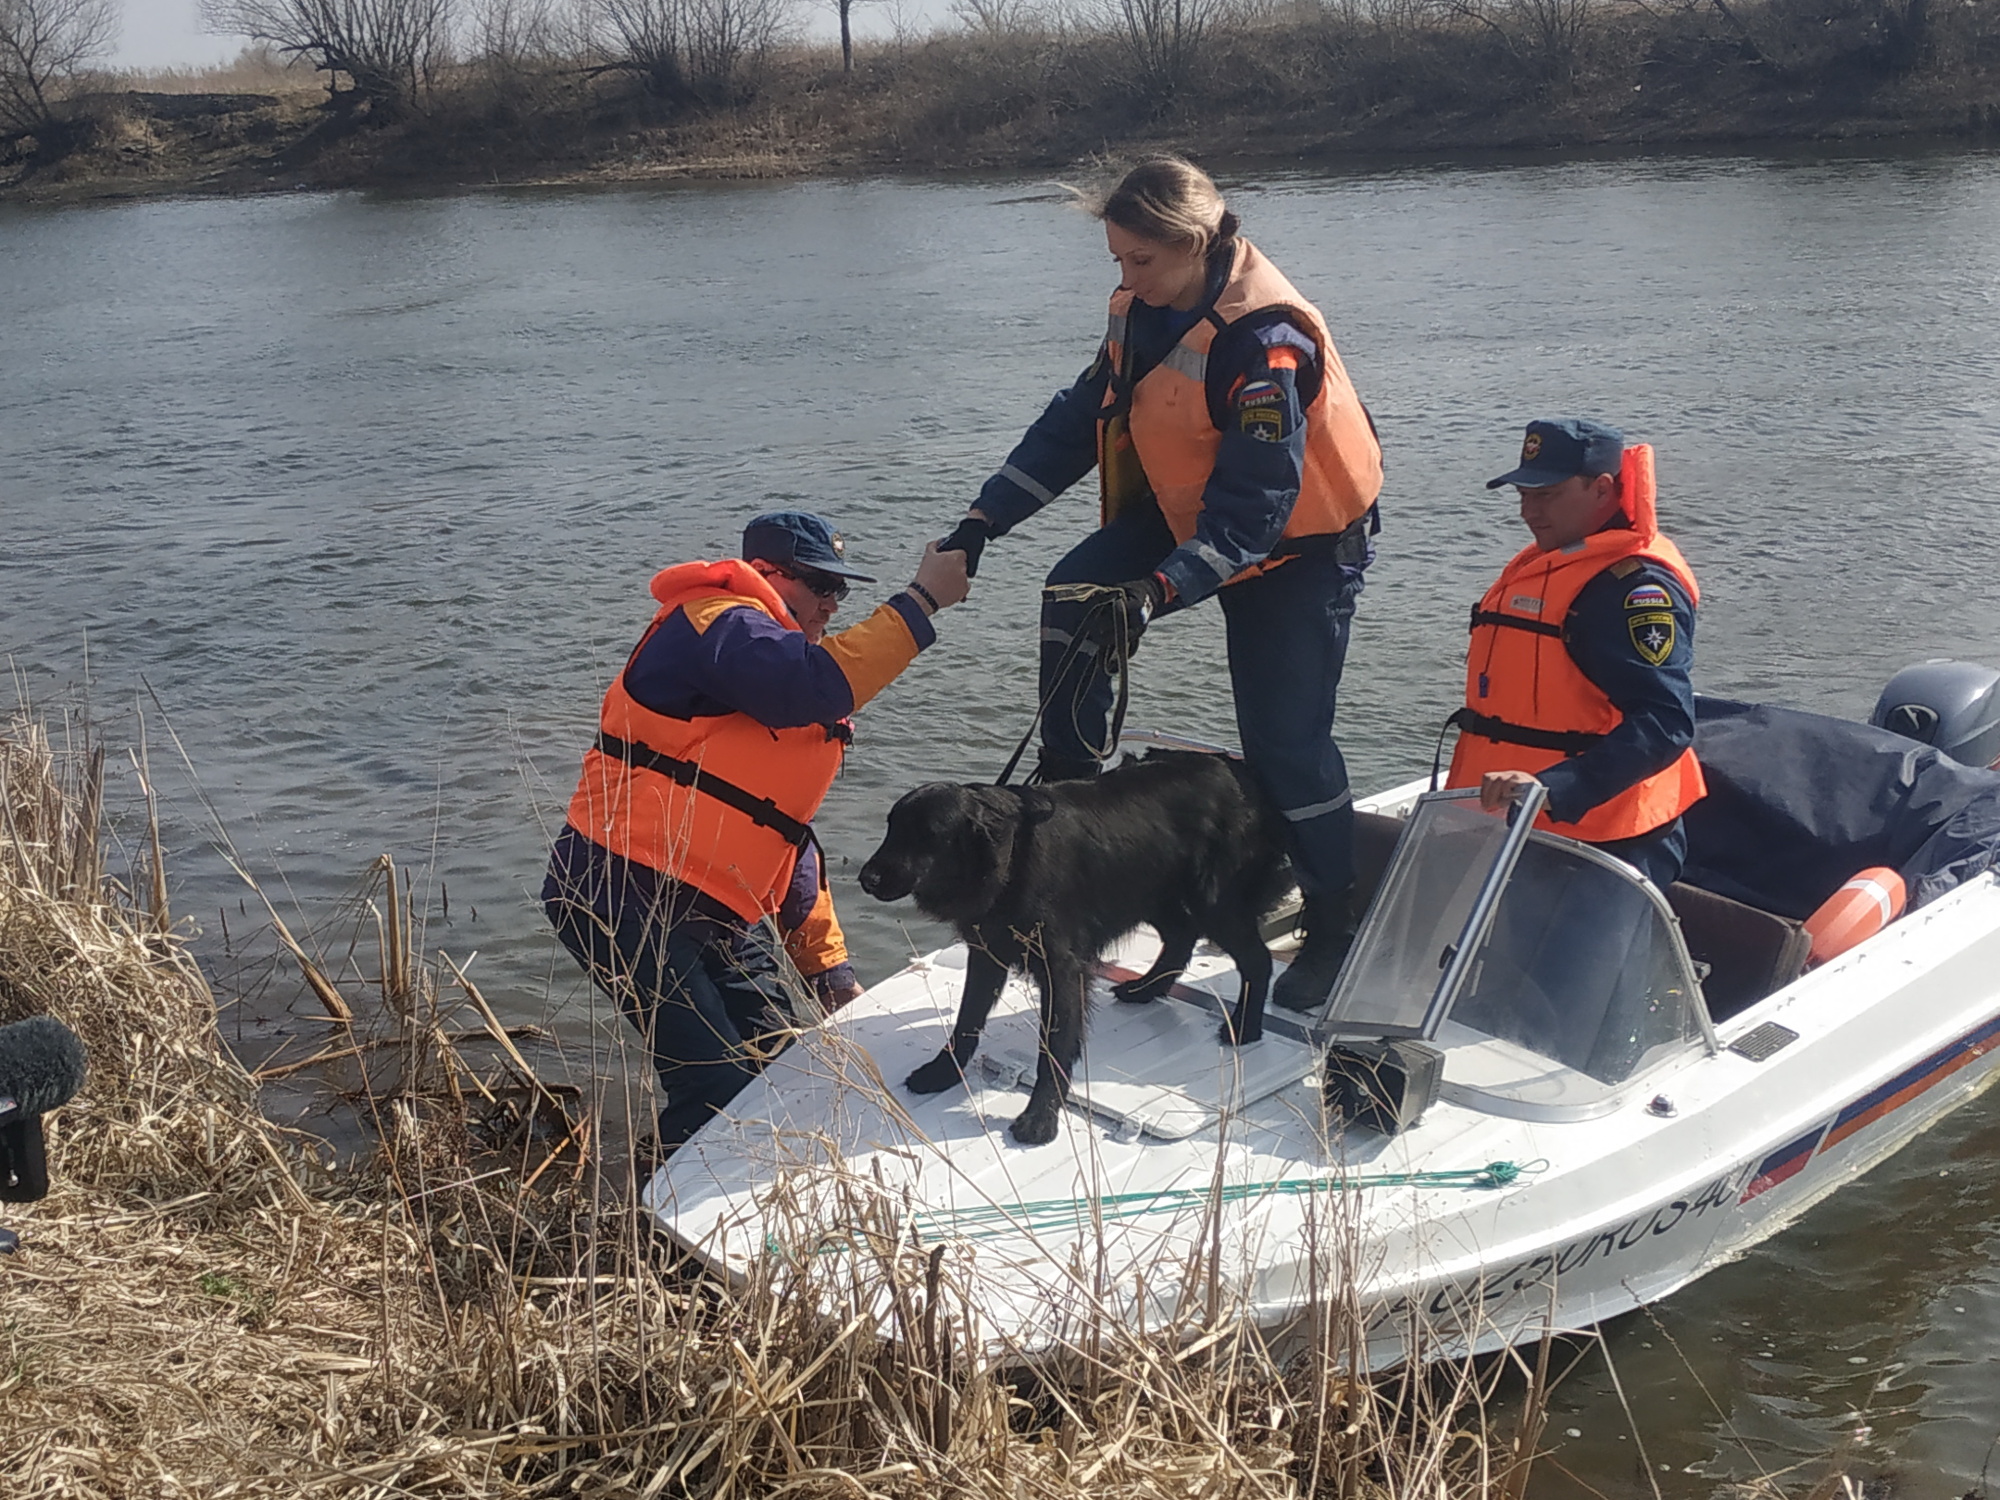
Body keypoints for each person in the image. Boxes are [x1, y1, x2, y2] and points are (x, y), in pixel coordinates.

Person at [937, 156, 1384, 1013]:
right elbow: (1075, 425)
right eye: (1117, 261)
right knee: (1077, 591)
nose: (1127, 279)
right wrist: (980, 523)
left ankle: (1335, 916)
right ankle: (1071, 804)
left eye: (1142, 261)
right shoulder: (1138, 312)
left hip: (1297, 546)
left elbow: (1255, 515)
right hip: (1192, 512)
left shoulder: (1266, 341)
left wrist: (1160, 591)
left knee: (1285, 741)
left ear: (1196, 245)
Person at [545, 512, 970, 1150]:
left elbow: (781, 835)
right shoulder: (715, 622)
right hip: (618, 893)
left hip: (714, 915)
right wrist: (922, 601)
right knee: (714, 1081)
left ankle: (756, 1214)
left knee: (779, 1063)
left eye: (840, 591)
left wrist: (830, 972)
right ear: (767, 574)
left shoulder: (762, 661)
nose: (831, 604)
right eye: (819, 585)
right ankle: (660, 1237)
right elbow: (813, 686)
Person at [1445, 418, 1705, 889]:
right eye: (1524, 494)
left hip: (1607, 841)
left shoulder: (1634, 590)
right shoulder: (1551, 561)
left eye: (1546, 495)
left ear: (1602, 489)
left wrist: (1557, 788)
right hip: (1521, 822)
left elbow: (1666, 722)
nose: (1528, 511)